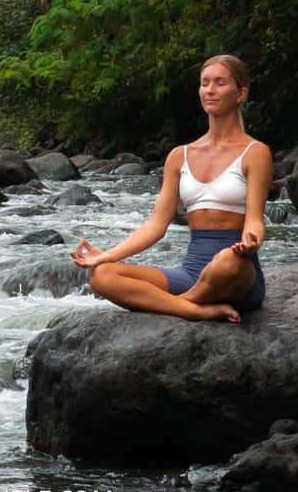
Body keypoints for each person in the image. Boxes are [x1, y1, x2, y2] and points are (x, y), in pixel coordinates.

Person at [69, 54, 271, 323]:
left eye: (220, 83)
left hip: (237, 271)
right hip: (190, 273)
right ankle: (193, 309)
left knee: (225, 261)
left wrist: (251, 241)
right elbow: (156, 225)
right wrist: (107, 255)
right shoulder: (179, 155)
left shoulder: (255, 152)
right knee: (103, 275)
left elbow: (254, 220)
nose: (210, 90)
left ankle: (177, 304)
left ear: (240, 93)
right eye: (205, 83)